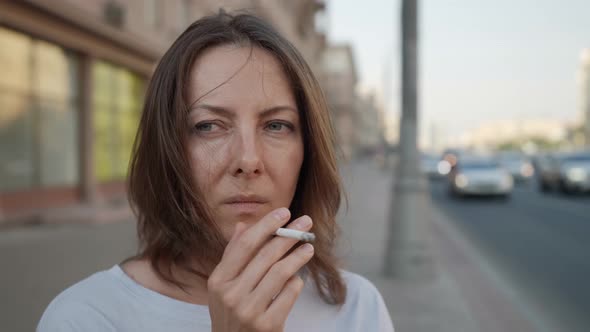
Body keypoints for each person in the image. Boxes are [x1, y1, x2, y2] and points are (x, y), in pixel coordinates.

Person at [37, 10, 395, 332]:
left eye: (276, 126)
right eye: (209, 126)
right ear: (168, 149)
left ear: (308, 151)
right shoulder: (86, 317)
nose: (248, 160)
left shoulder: (355, 308)